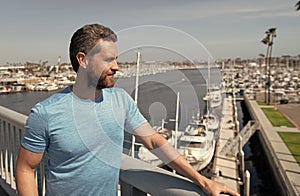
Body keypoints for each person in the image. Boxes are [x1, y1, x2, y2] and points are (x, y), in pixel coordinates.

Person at [16, 23, 239, 196]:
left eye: (116, 59)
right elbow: (26, 168)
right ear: (83, 60)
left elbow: (154, 141)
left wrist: (202, 180)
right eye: (108, 60)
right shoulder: (45, 113)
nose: (117, 67)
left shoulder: (120, 100)